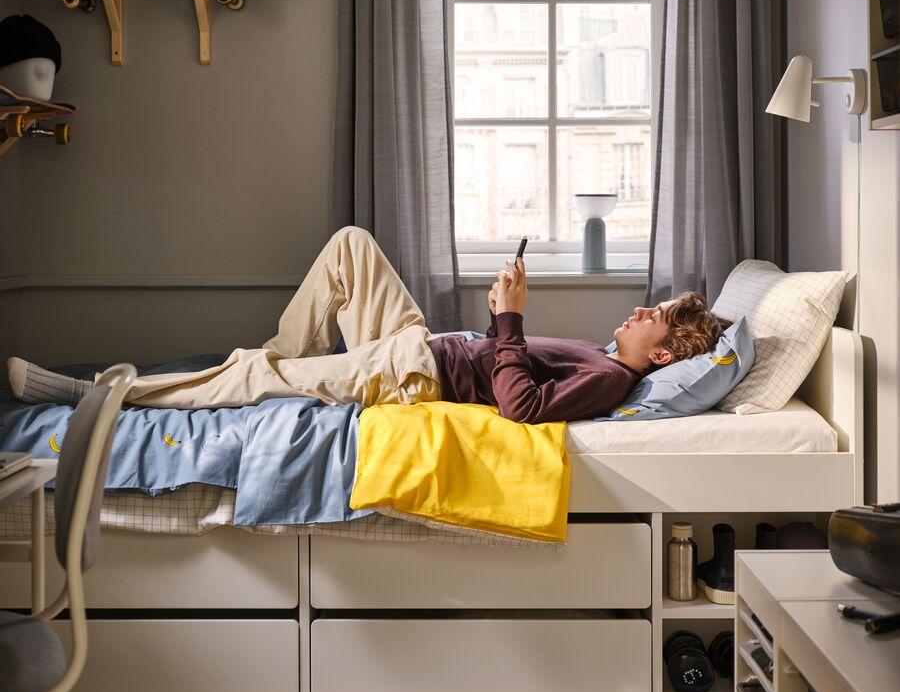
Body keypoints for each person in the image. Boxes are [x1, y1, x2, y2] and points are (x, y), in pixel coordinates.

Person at [7, 226, 724, 422]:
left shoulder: (606, 380)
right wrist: (496, 322)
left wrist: (508, 320)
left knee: (256, 375)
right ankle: (279, 365)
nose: (636, 312)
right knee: (351, 245)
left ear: (660, 357)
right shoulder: (603, 355)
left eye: (650, 318)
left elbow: (522, 408)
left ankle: (98, 395)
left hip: (413, 376)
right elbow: (509, 359)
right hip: (422, 344)